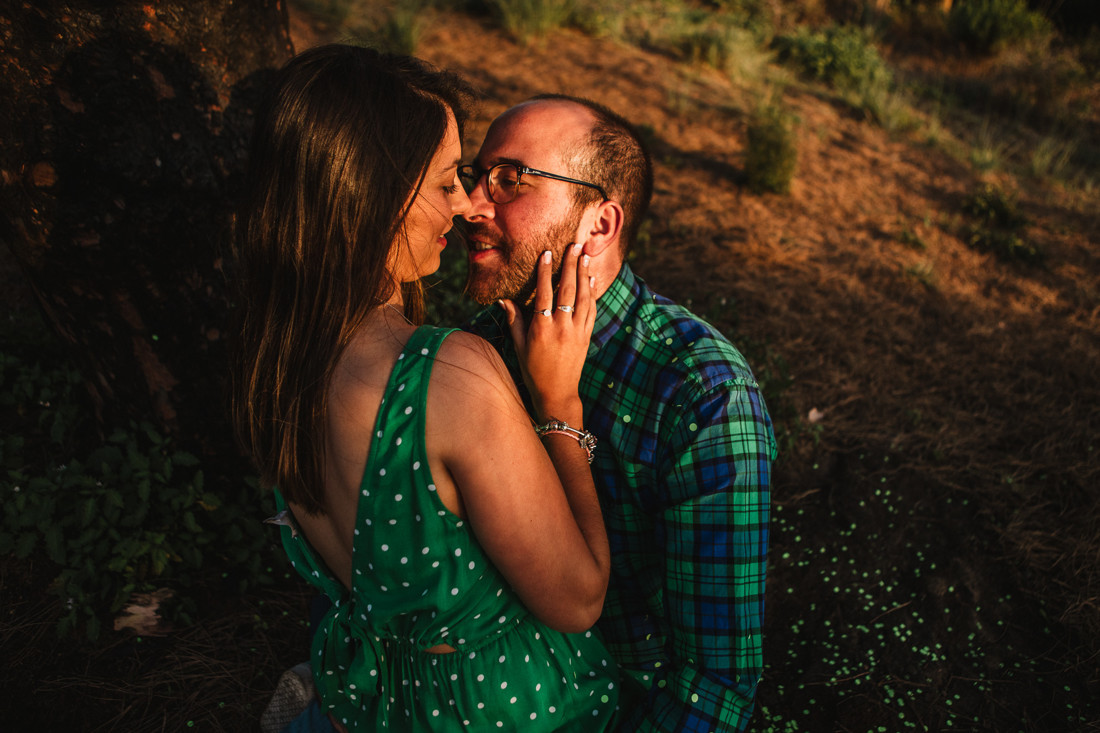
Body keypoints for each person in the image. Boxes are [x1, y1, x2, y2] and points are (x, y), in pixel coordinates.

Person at [231, 45, 622, 732]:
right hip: (492, 708)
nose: (470, 205)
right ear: (374, 194)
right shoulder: (445, 377)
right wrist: (560, 408)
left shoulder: (273, 358)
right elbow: (579, 599)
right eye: (448, 184)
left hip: (378, 696)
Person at [461, 94, 777, 732]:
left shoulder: (703, 395)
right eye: (475, 178)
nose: (472, 205)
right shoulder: (483, 343)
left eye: (511, 180)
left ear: (599, 225)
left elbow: (711, 686)